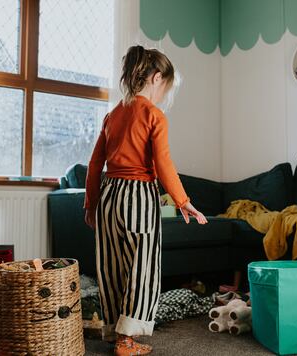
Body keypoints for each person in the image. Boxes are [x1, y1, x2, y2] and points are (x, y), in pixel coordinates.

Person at [84, 45, 208, 356]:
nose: (164, 94)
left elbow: (94, 164)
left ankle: (114, 331)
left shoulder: (112, 116)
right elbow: (163, 164)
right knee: (143, 267)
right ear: (155, 78)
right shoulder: (154, 115)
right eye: (165, 87)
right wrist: (182, 201)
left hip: (110, 196)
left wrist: (91, 204)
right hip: (138, 196)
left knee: (111, 267)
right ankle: (127, 341)